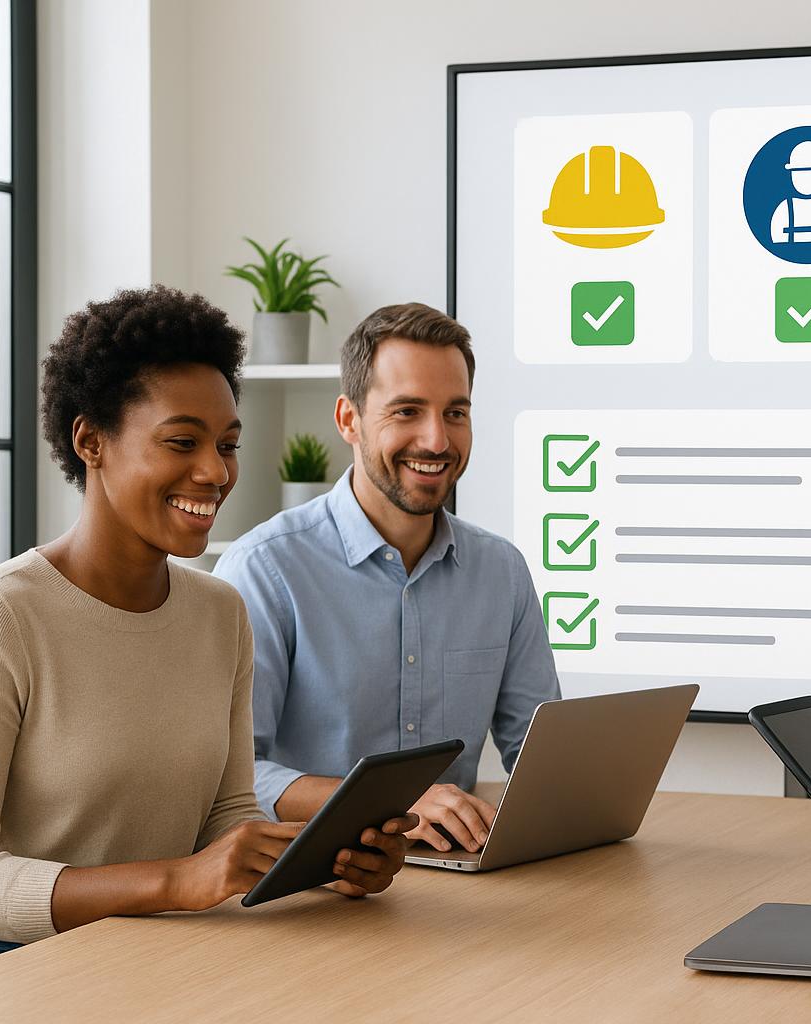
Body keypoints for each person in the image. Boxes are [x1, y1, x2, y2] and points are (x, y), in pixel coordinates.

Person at [0, 287, 414, 965]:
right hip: (14, 967)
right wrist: (175, 881)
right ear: (90, 441)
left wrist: (324, 862)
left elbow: (228, 817)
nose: (214, 471)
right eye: (182, 442)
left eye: (228, 444)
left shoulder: (219, 613)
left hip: (164, 951)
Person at [214, 303, 560, 854]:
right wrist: (386, 804)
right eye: (407, 411)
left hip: (455, 874)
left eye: (455, 412)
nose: (437, 440)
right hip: (314, 877)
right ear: (348, 419)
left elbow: (542, 761)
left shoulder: (502, 572)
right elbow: (231, 775)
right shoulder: (264, 569)